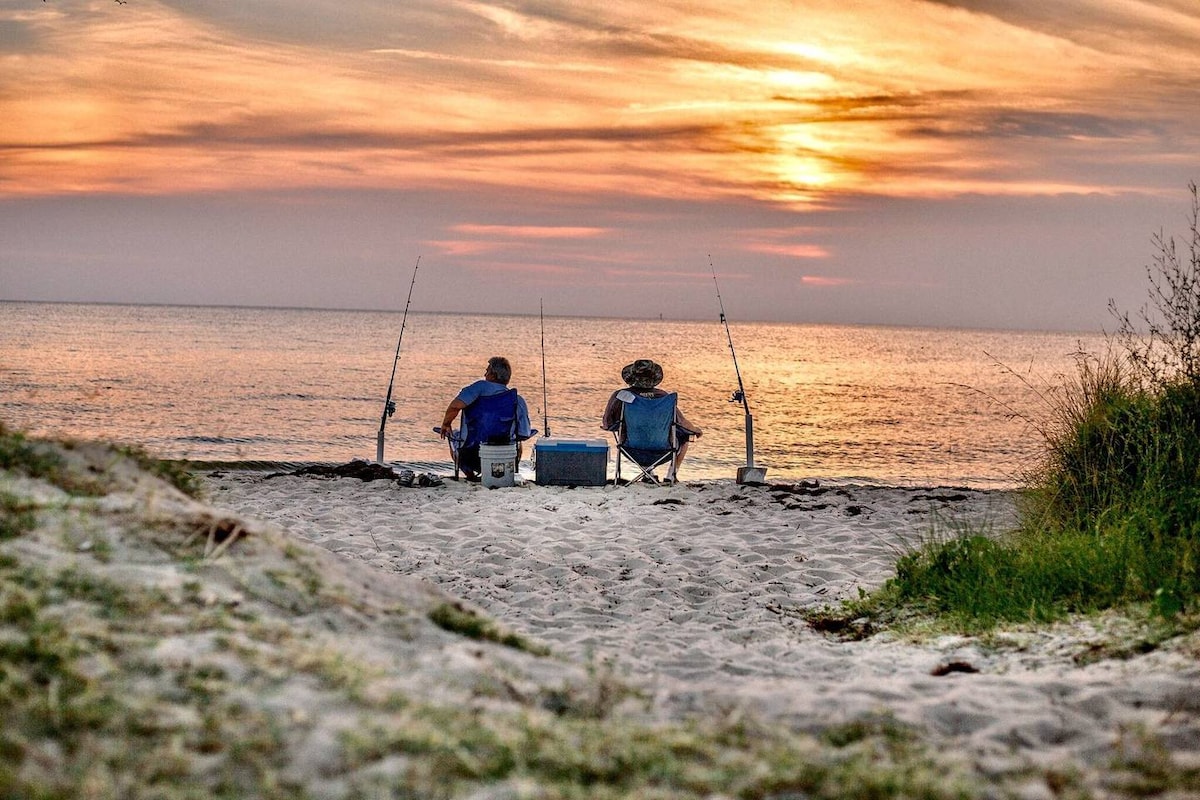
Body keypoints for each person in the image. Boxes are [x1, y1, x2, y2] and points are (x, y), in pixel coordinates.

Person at [602, 359, 701, 482]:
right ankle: (671, 475)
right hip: (664, 449)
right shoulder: (663, 398)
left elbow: (608, 424)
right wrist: (696, 430)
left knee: (628, 429)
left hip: (630, 448)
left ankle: (648, 472)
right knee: (685, 436)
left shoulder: (621, 396)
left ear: (631, 377)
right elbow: (682, 423)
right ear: (653, 379)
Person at [439, 356, 533, 480]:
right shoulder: (517, 400)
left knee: (453, 435)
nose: (485, 374)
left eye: (487, 371)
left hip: (471, 454)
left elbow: (454, 407)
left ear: (493, 376)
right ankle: (509, 475)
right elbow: (524, 434)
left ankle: (470, 476)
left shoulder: (478, 388)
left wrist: (446, 424)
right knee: (518, 442)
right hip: (504, 454)